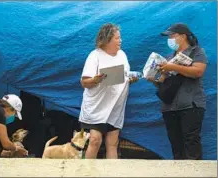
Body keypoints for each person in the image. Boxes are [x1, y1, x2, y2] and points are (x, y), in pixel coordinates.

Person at [148, 23, 207, 159]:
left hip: (191, 105)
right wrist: (153, 78)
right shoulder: (168, 58)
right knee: (176, 147)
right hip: (169, 108)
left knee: (191, 143)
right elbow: (163, 82)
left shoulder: (197, 52)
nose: (170, 39)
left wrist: (173, 67)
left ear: (182, 36)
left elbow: (198, 71)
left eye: (172, 36)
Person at [79, 23, 138, 159]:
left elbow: (125, 75)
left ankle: (112, 173)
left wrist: (131, 78)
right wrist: (96, 79)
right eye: (117, 38)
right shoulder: (95, 56)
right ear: (107, 40)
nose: (120, 41)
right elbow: (84, 82)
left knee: (113, 142)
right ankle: (87, 173)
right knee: (95, 140)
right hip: (96, 107)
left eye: (120, 38)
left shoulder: (122, 55)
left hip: (115, 106)